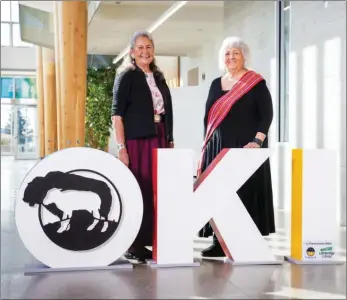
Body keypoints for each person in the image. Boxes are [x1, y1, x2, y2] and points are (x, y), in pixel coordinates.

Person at [197, 36, 275, 257]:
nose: (231, 57)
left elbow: (266, 114)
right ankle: (218, 241)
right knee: (218, 193)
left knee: (244, 193)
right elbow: (208, 117)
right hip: (217, 148)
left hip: (245, 148)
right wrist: (205, 147)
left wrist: (257, 141)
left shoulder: (255, 82)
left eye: (236, 53)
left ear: (244, 56)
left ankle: (245, 239)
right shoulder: (215, 83)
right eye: (227, 53)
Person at [111, 31, 174, 262]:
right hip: (138, 141)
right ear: (132, 52)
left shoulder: (158, 76)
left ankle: (150, 239)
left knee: (157, 191)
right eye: (139, 48)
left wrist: (169, 138)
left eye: (148, 47)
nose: (144, 51)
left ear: (153, 50)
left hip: (159, 137)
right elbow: (117, 115)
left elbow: (166, 111)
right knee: (140, 189)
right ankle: (133, 244)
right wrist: (121, 147)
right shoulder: (126, 75)